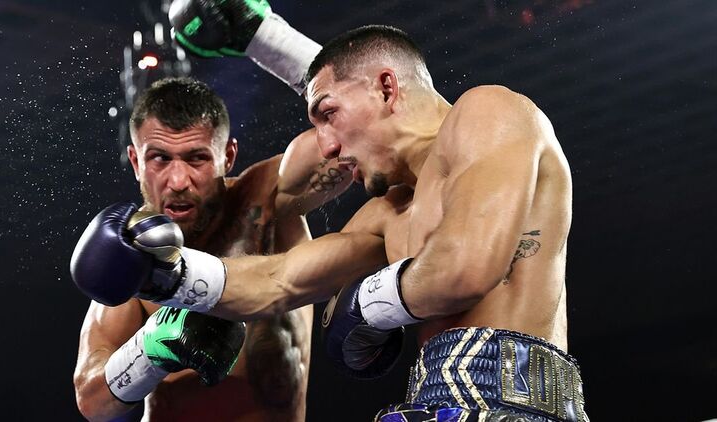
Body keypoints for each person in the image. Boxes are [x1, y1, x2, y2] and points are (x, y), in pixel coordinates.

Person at [74, 4, 589, 421]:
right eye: (159, 160)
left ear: (387, 88)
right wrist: (169, 277)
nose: (326, 146)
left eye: (327, 115)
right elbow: (279, 281)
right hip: (428, 404)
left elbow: (464, 270)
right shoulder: (387, 216)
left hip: (520, 406)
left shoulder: (489, 110)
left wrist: (366, 304)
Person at [72, 77, 357, 422]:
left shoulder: (267, 201)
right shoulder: (132, 256)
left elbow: (352, 135)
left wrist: (268, 47)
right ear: (136, 162)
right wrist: (148, 349)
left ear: (228, 156)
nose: (179, 181)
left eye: (197, 159)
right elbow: (91, 401)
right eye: (160, 158)